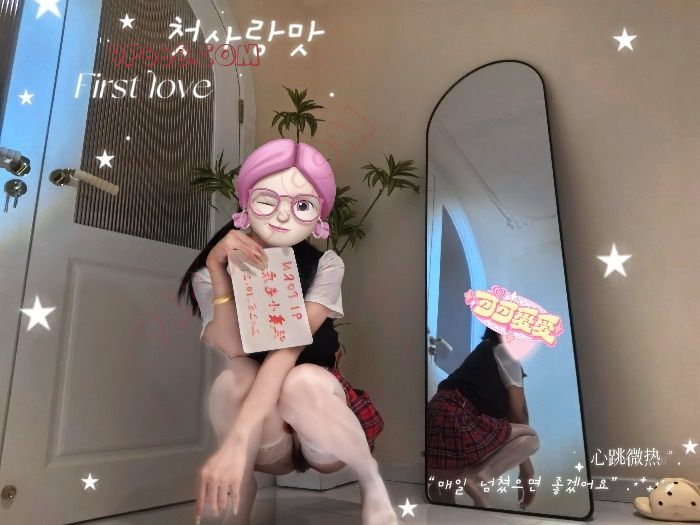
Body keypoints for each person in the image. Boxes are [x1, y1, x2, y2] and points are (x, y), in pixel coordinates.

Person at [177, 138, 396, 525]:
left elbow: (289, 345)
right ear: (246, 203)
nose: (282, 215)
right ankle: (240, 495)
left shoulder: (326, 264)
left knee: (302, 379)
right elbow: (232, 346)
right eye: (267, 200)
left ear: (319, 218)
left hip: (319, 422)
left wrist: (237, 437)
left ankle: (372, 481)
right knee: (233, 378)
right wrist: (218, 271)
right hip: (268, 433)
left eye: (302, 205)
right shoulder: (210, 272)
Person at [425, 327, 540, 510]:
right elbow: (519, 418)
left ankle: (449, 491)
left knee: (444, 498)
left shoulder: (482, 354)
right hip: (456, 419)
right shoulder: (506, 351)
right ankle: (479, 478)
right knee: (531, 437)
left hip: (433, 422)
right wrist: (528, 472)